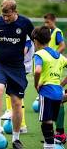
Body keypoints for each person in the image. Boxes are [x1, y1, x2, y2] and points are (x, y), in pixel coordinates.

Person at [0, 0, 34, 148]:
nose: (5, 18)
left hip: (17, 67)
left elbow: (36, 41)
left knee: (16, 103)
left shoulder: (25, 23)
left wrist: (41, 56)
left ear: (15, 11)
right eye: (3, 15)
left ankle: (16, 139)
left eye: (8, 15)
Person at [0, 17, 32, 134]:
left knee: (17, 98)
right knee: (0, 90)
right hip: (1, 65)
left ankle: (21, 124)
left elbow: (25, 50)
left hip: (20, 66)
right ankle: (8, 114)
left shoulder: (24, 30)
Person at [32, 26, 67, 149]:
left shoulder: (39, 54)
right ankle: (52, 142)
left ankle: (49, 146)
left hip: (46, 92)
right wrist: (62, 83)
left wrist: (36, 84)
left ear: (36, 41)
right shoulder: (59, 55)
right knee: (51, 121)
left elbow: (37, 70)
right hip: (58, 94)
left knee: (46, 123)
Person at [44, 13, 66, 143]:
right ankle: (60, 133)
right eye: (45, 23)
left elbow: (62, 45)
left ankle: (60, 134)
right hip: (51, 63)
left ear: (53, 20)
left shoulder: (57, 31)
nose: (46, 24)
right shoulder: (48, 33)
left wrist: (55, 55)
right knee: (60, 99)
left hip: (53, 61)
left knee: (59, 99)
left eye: (48, 22)